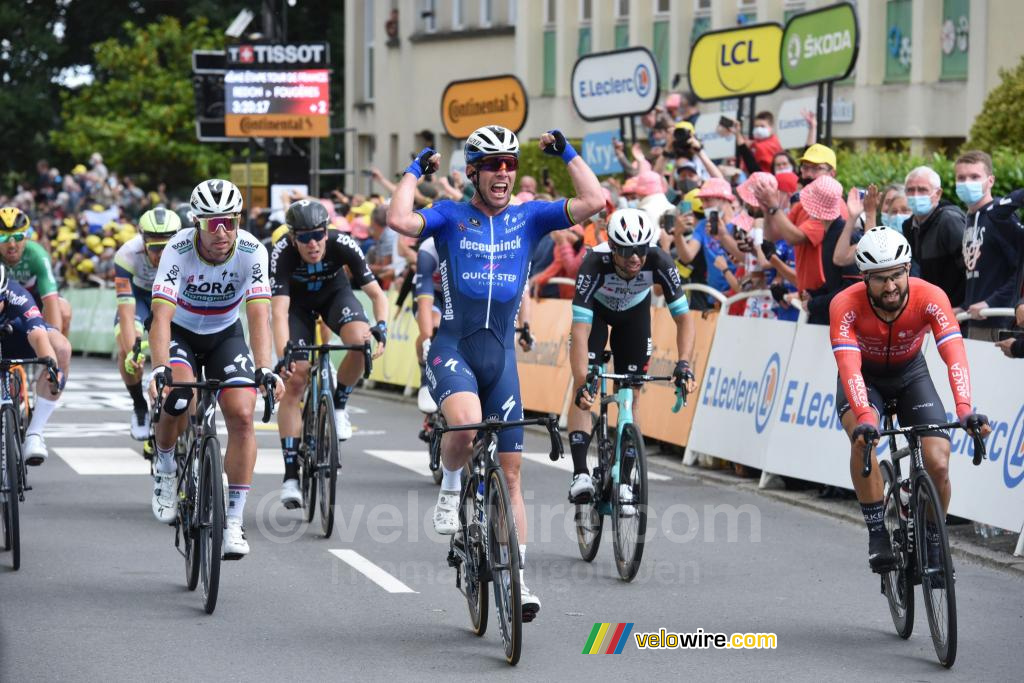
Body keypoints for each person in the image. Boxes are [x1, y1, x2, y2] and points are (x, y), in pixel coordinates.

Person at [386, 124, 604, 621]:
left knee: (510, 478)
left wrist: (567, 152)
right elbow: (398, 218)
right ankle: (449, 487)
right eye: (492, 164)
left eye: (510, 163)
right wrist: (414, 171)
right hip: (454, 347)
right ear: (474, 172)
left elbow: (594, 200)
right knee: (463, 427)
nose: (503, 172)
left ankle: (518, 579)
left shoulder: (529, 217)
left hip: (501, 357)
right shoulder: (449, 216)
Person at [829, 227, 991, 572]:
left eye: (897, 276)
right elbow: (849, 366)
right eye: (880, 279)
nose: (890, 287)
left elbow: (954, 355)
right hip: (864, 379)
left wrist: (964, 409)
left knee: (939, 461)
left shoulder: (930, 296)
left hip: (910, 375)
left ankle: (933, 537)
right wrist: (867, 420)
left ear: (908, 270)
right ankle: (876, 533)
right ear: (864, 278)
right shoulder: (844, 304)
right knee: (863, 442)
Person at [148, 179, 284, 560]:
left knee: (242, 414)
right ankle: (165, 462)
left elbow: (259, 314)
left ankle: (235, 521)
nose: (222, 231)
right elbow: (161, 317)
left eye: (230, 221)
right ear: (197, 223)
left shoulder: (252, 250)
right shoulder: (177, 249)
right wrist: (160, 368)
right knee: (179, 394)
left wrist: (265, 368)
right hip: (181, 333)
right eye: (212, 223)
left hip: (226, 333)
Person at [567, 208, 696, 504]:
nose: (635, 257)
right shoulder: (594, 263)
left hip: (634, 315)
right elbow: (580, 330)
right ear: (612, 247)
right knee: (584, 388)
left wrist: (684, 363)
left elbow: (685, 319)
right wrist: (583, 380)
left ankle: (625, 479)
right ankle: (580, 474)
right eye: (626, 250)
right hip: (596, 315)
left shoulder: (659, 260)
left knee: (631, 392)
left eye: (640, 248)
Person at [270, 199, 388, 508]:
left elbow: (376, 294)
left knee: (360, 342)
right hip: (296, 306)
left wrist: (382, 326)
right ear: (293, 237)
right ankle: (292, 475)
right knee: (296, 377)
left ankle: (339, 404)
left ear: (327, 231)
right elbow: (279, 313)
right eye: (305, 237)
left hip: (335, 296)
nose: (313, 243)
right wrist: (286, 354)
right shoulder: (281, 252)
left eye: (319, 235)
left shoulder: (342, 242)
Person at [114, 207, 180, 440]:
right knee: (128, 350)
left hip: (174, 298)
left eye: (167, 247)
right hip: (140, 298)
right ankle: (139, 406)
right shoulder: (126, 254)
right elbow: (125, 306)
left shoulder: (188, 251)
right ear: (143, 241)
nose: (161, 255)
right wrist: (134, 349)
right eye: (154, 248)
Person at [0, 265, 66, 466]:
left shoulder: (16, 295)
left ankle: (35, 433)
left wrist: (52, 367)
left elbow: (38, 336)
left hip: (20, 336)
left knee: (62, 348)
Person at [956, 150, 1023, 340]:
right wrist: (965, 305)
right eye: (961, 178)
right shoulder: (969, 219)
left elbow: (1019, 271)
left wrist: (990, 303)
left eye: (975, 177)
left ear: (990, 181)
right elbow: (980, 274)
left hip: (1002, 322)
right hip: (976, 321)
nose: (967, 182)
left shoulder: (1001, 217)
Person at [901, 166, 966, 307]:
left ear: (938, 194)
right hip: (933, 308)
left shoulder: (949, 221)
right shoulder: (909, 226)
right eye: (910, 190)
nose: (916, 195)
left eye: (923, 190)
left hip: (956, 311)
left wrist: (962, 307)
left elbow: (970, 269)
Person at [0, 207, 72, 335]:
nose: (11, 245)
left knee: (63, 311)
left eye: (17, 237)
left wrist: (55, 343)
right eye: (3, 237)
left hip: (35, 294)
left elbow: (51, 300)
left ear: (26, 237)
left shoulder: (37, 254)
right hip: (4, 298)